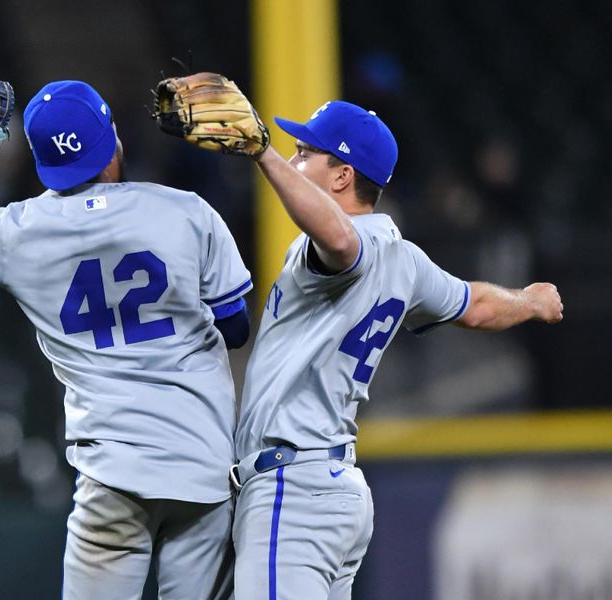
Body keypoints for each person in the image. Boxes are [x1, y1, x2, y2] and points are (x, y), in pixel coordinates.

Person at [0, 79, 252, 600]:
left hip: (112, 476)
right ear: (112, 142)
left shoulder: (15, 231)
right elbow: (236, 328)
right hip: (202, 466)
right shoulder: (186, 212)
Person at [226, 100, 563, 599]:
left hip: (292, 488)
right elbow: (477, 306)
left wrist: (263, 153)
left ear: (342, 177)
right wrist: (530, 301)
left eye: (303, 153)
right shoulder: (404, 259)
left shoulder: (343, 244)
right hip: (335, 490)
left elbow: (341, 241)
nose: (294, 162)